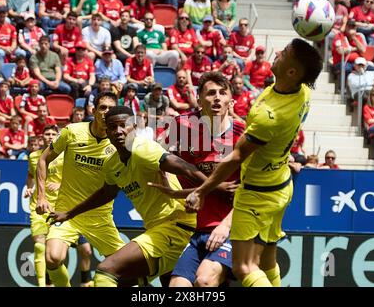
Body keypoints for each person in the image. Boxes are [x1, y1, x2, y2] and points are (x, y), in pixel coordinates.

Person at [184, 38, 323, 287]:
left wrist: (201, 190)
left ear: (292, 71)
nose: (278, 53)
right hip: (281, 184)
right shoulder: (303, 91)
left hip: (257, 193)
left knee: (245, 265)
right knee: (268, 262)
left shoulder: (268, 116)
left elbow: (236, 157)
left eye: (284, 54)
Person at [49, 105, 227, 287]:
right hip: (157, 230)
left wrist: (218, 187)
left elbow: (186, 168)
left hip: (175, 226)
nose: (118, 131)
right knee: (124, 283)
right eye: (112, 127)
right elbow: (106, 193)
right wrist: (70, 213)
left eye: (123, 125)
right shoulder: (112, 164)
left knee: (106, 270)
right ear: (107, 131)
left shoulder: (144, 150)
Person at [158, 71, 244, 287]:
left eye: (222, 93)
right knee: (178, 286)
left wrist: (226, 226)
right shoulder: (182, 126)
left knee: (204, 281)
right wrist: (171, 185)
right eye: (211, 93)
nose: (217, 97)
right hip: (197, 229)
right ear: (199, 99)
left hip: (233, 229)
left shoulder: (243, 136)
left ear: (230, 101)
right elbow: (157, 155)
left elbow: (253, 191)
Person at [35, 92, 126, 287]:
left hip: (100, 218)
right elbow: (43, 159)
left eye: (111, 109)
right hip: (65, 213)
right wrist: (41, 196)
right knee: (52, 257)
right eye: (102, 108)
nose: (106, 113)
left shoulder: (120, 142)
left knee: (127, 269)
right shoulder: (72, 132)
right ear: (93, 111)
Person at [25, 124, 62, 287]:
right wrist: (29, 187)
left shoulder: (64, 156)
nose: (50, 136)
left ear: (58, 136)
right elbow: (31, 175)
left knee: (54, 252)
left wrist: (60, 184)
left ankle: (51, 282)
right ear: (42, 137)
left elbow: (74, 178)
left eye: (53, 134)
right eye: (47, 134)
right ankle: (41, 285)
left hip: (59, 207)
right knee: (40, 245)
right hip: (38, 206)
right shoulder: (33, 156)